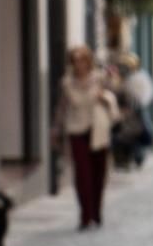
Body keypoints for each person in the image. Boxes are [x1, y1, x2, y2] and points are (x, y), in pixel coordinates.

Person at [51, 45, 119, 230]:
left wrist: (109, 86)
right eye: (75, 60)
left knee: (99, 173)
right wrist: (55, 130)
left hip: (99, 128)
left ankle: (97, 211)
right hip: (77, 129)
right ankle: (85, 214)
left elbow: (113, 91)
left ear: (88, 61)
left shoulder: (100, 78)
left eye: (82, 59)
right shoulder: (66, 83)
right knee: (82, 174)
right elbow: (62, 107)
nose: (79, 64)